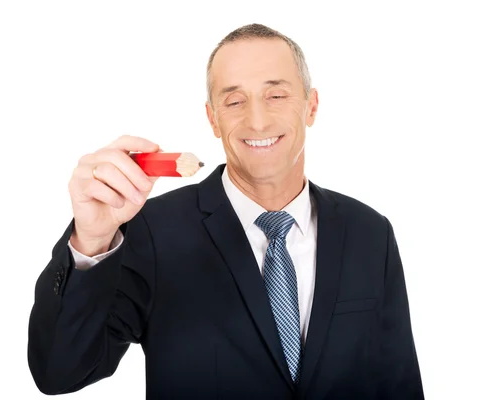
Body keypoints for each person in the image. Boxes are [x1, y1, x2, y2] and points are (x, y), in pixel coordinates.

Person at [27, 23, 424, 399]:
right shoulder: (150, 231)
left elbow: (399, 383)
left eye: (277, 95)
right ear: (213, 119)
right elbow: (60, 372)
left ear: (312, 106)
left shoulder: (370, 233)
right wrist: (92, 241)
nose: (257, 119)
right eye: (234, 101)